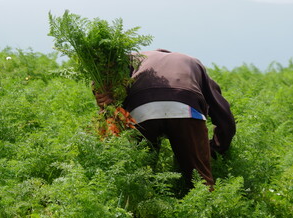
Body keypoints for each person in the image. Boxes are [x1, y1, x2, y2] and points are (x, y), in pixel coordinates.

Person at [95, 49, 236, 190]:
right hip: (185, 109)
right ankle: (204, 205)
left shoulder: (133, 58)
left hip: (142, 108)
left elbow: (104, 78)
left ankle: (139, 206)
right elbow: (224, 117)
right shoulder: (192, 62)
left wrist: (103, 97)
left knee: (139, 176)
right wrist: (214, 149)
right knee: (200, 181)